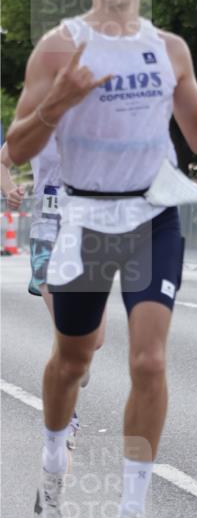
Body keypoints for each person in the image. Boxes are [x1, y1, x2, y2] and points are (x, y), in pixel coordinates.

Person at [7, 0, 197, 518]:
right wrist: (55, 104)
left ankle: (131, 514)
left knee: (149, 361)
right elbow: (17, 145)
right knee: (73, 361)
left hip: (152, 214)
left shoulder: (170, 48)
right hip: (81, 218)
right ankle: (51, 468)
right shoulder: (58, 48)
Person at [0, 138, 106, 449]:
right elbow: (2, 161)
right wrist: (9, 191)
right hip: (48, 231)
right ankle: (66, 419)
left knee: (93, 341)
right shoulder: (38, 122)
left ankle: (75, 362)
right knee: (67, 328)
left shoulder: (97, 118)